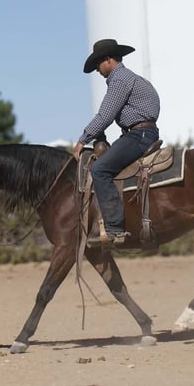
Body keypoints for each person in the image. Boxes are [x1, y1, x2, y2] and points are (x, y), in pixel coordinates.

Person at [73, 39, 160, 244]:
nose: (97, 69)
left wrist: (82, 139)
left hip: (139, 135)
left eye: (97, 64)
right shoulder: (130, 78)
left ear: (108, 60)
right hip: (143, 132)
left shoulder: (119, 80)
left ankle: (114, 229)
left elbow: (105, 116)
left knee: (100, 169)